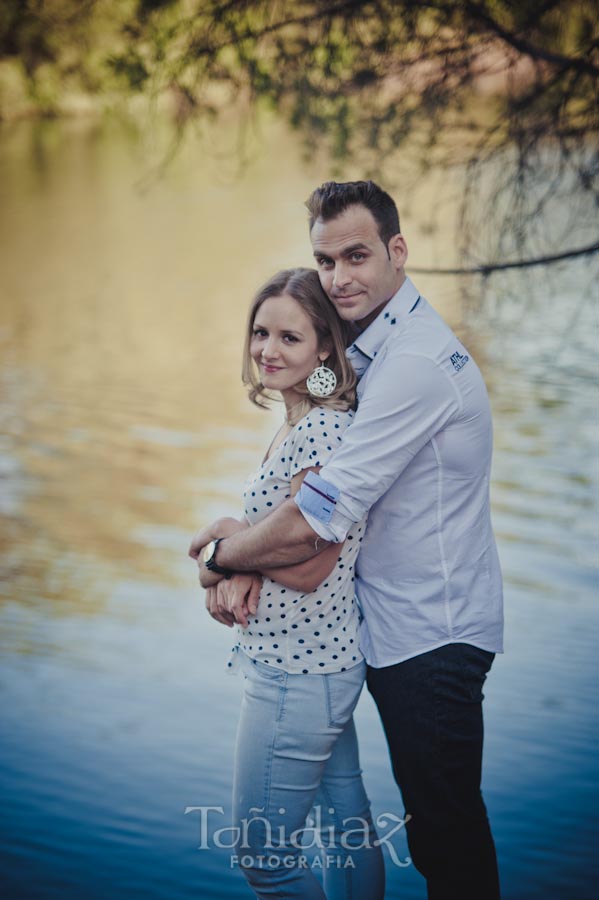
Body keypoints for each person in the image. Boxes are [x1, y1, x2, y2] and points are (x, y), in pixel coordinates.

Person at [191, 180, 504, 899]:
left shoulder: (412, 366)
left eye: (356, 256)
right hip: (373, 631)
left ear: (398, 251)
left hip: (432, 633)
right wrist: (245, 545)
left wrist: (218, 559)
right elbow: (302, 515)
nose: (338, 278)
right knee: (362, 829)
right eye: (325, 260)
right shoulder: (370, 353)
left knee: (443, 836)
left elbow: (315, 528)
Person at [199, 267, 385, 900]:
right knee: (345, 832)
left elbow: (309, 564)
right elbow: (279, 534)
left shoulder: (325, 431)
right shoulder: (304, 422)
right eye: (260, 333)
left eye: (289, 338)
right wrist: (235, 550)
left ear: (325, 348)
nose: (267, 351)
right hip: (320, 663)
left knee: (265, 859)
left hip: (296, 672)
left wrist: (223, 555)